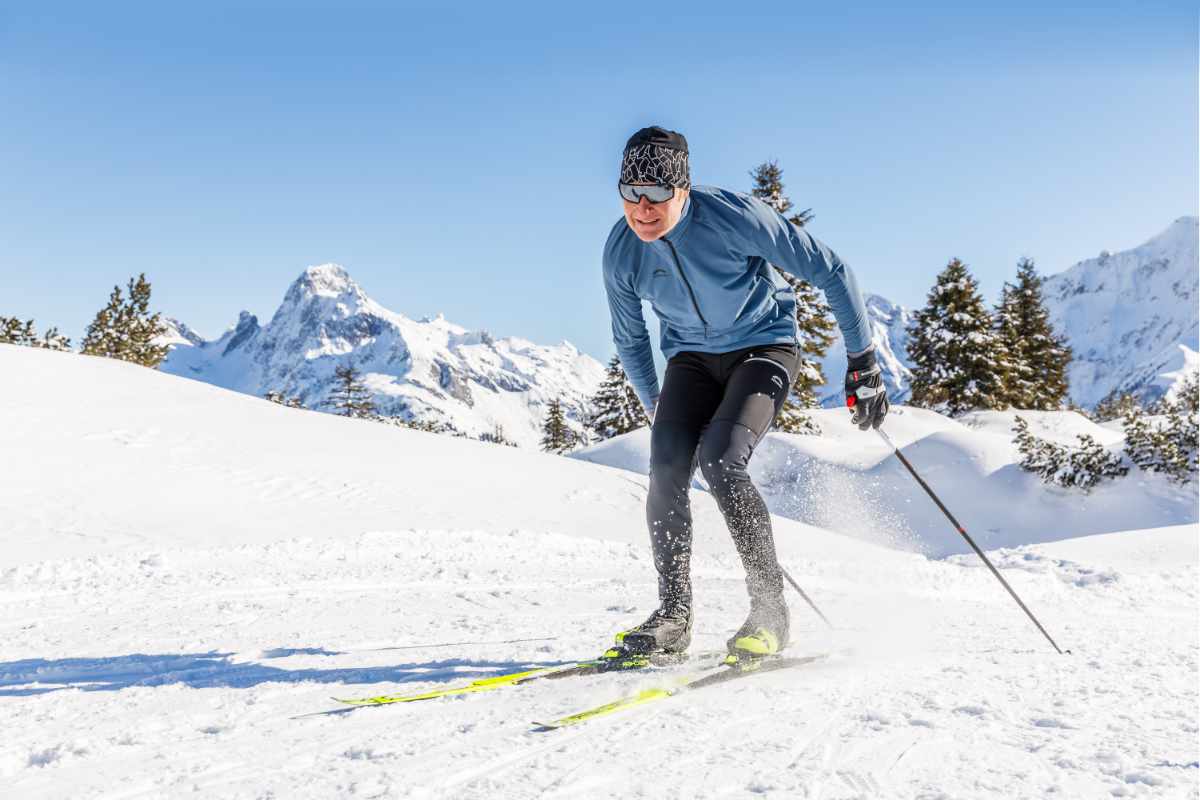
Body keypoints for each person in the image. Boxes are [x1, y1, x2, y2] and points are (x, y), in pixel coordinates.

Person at [602, 126, 888, 663]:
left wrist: (862, 360)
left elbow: (831, 270)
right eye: (631, 192)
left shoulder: (736, 218)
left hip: (764, 346)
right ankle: (674, 616)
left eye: (658, 193)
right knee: (666, 466)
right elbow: (630, 337)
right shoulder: (621, 253)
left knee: (721, 459)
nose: (643, 207)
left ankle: (770, 612)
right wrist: (653, 404)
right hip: (690, 358)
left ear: (683, 190)